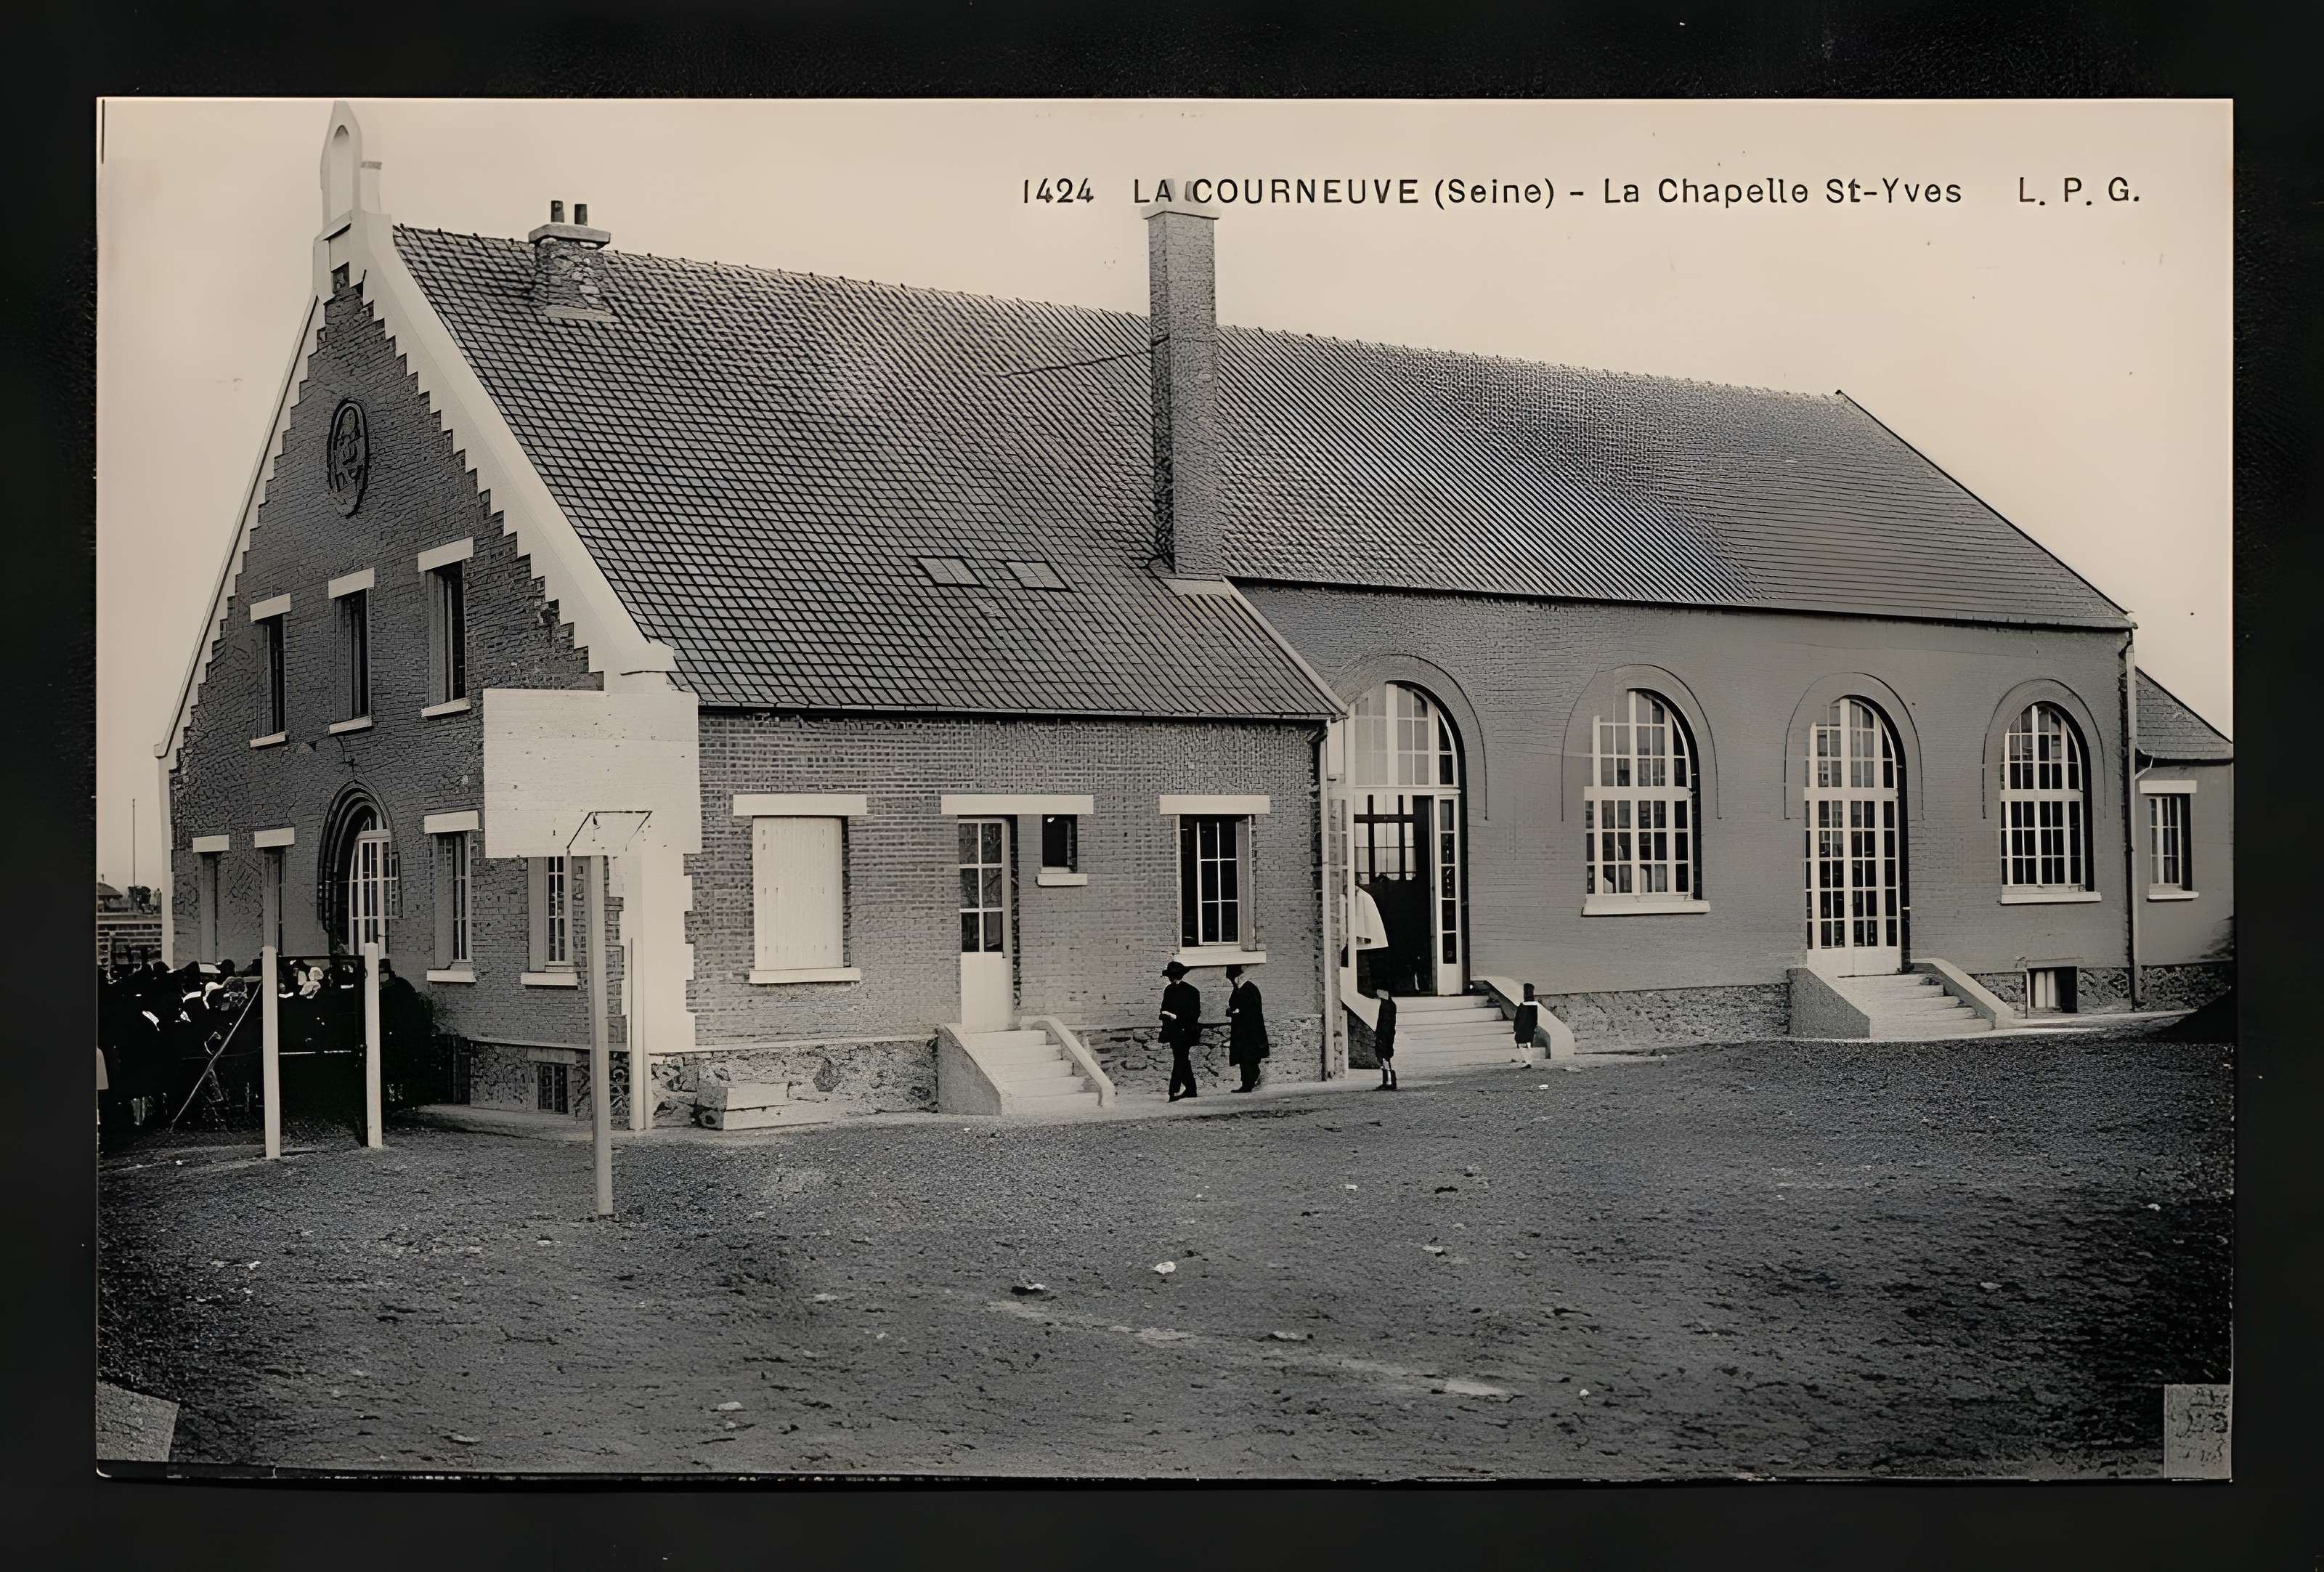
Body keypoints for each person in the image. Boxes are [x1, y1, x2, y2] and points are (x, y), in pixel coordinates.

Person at [1158, 960, 1203, 1102]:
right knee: (1182, 1059)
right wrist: (1166, 1016)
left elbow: (1195, 1014)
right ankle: (1191, 1089)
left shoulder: (1192, 991)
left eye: (1173, 976)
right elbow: (1164, 1008)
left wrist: (1176, 1017)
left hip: (1187, 1031)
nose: (1171, 979)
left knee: (1179, 1060)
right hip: (1173, 1032)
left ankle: (1174, 1091)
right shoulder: (1169, 990)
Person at [1224, 963, 1269, 1093]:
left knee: (1250, 1058)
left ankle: (1249, 1084)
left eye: (1233, 979)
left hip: (1251, 1032)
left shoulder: (1249, 989)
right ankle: (1246, 1083)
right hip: (1242, 1031)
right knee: (1244, 1058)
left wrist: (1238, 1012)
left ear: (1238, 977)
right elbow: (1233, 1006)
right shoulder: (1238, 990)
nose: (1232, 982)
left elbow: (1252, 1011)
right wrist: (1232, 1011)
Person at [1373, 988, 1399, 1090]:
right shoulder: (1390, 1004)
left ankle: (1389, 1081)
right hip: (1388, 1033)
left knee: (1384, 1057)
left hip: (1385, 1034)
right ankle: (1389, 1081)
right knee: (1385, 1057)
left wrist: (1380, 1033)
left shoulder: (1386, 1006)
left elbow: (1384, 1022)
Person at [1513, 981, 1540, 1057]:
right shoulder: (1533, 1005)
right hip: (1528, 1028)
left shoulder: (1523, 1005)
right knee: (1528, 1038)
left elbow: (1517, 1018)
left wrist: (1515, 1028)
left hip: (1523, 1029)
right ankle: (1528, 1048)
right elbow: (1535, 1018)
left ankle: (1525, 1050)